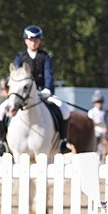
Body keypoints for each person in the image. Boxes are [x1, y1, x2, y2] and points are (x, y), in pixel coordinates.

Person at [11, 25, 69, 154]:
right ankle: (2, 142)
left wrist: (48, 89)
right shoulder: (20, 57)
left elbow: (48, 73)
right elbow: (16, 75)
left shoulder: (45, 56)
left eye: (36, 40)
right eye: (31, 40)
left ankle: (63, 141)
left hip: (43, 92)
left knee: (64, 110)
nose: (33, 43)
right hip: (22, 95)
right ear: (25, 41)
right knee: (0, 112)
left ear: (40, 41)